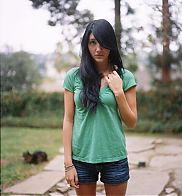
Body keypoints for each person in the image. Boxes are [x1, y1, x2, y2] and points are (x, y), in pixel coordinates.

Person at [62, 19, 137, 196]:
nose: (98, 49)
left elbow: (131, 122)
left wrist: (118, 92)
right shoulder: (73, 76)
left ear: (111, 44)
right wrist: (68, 164)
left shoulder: (125, 77)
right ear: (86, 45)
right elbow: (68, 119)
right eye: (92, 42)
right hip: (81, 158)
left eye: (103, 43)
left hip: (115, 157)